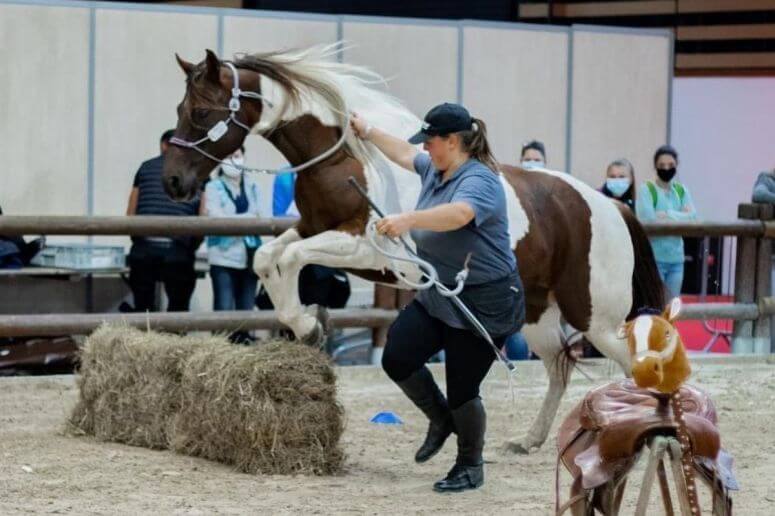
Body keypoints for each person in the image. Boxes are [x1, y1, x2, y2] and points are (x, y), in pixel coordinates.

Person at [351, 103, 525, 493]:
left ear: (453, 141)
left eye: (431, 141)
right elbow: (402, 152)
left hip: (484, 300)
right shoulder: (434, 167)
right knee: (398, 355)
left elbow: (460, 214)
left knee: (463, 387)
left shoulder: (479, 180)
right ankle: (442, 419)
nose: (425, 148)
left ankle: (469, 465)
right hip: (439, 292)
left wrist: (408, 219)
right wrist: (367, 129)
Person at [126, 129, 200, 312]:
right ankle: (175, 338)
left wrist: (139, 239)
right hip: (178, 251)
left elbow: (130, 213)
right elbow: (203, 216)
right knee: (178, 310)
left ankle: (146, 338)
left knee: (144, 312)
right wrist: (190, 246)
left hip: (144, 248)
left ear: (163, 146)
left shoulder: (145, 168)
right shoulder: (196, 172)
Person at [201, 146, 262, 344]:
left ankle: (244, 347)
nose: (234, 161)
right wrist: (247, 219)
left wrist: (237, 220)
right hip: (222, 256)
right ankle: (221, 350)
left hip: (250, 255)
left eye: (237, 156)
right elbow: (217, 218)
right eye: (228, 156)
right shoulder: (213, 187)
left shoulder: (252, 186)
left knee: (246, 310)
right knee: (224, 309)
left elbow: (261, 216)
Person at [635, 145, 697, 299]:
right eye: (662, 165)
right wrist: (681, 215)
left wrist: (667, 214)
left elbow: (693, 217)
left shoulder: (681, 190)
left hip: (677, 259)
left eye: (670, 165)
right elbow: (648, 220)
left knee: (672, 307)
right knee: (655, 304)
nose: (666, 168)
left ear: (677, 165)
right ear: (655, 166)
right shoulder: (647, 189)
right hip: (654, 259)